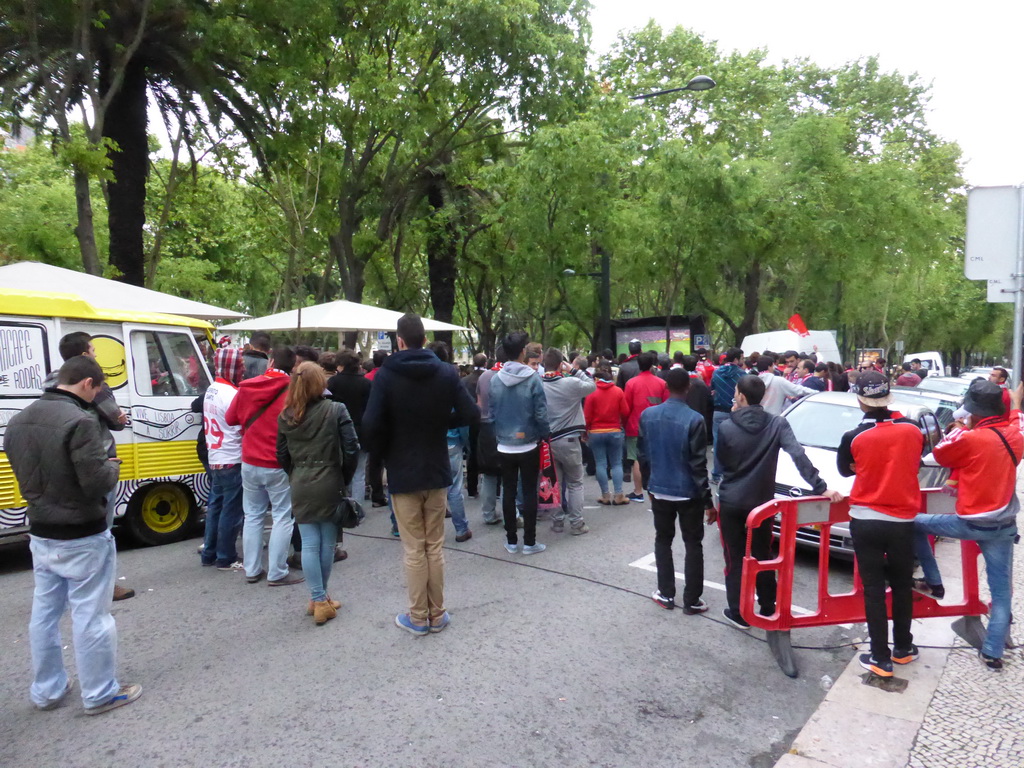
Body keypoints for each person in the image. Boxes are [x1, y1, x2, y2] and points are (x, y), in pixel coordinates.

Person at [4, 356, 142, 714]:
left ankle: (47, 690)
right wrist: (111, 469)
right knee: (91, 615)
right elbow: (94, 481)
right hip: (81, 532)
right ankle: (100, 693)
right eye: (97, 390)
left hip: (41, 530)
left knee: (45, 612)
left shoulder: (18, 421)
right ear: (87, 384)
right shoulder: (80, 421)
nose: (97, 397)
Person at [362, 314, 479, 635]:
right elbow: (471, 413)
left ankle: (417, 617)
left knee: (414, 548)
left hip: (402, 470)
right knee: (434, 547)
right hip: (437, 467)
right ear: (425, 340)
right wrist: (441, 421)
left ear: (399, 341)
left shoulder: (385, 375)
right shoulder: (446, 372)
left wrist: (385, 450)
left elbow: (371, 425)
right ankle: (437, 614)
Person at [913, 380, 1023, 671]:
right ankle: (992, 653)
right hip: (1004, 526)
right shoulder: (1016, 435)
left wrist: (961, 426)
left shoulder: (970, 438)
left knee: (912, 523)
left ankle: (933, 581)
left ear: (973, 411)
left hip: (971, 523)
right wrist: (1014, 403)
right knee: (1001, 594)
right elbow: (1016, 419)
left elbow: (940, 454)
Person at [715, 375, 841, 629]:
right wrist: (821, 487)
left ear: (740, 396)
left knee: (735, 557)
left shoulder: (726, 427)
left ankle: (738, 611)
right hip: (762, 504)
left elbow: (722, 465)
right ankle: (768, 606)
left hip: (731, 501)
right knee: (762, 555)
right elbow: (798, 455)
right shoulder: (778, 424)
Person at [837, 371, 925, 677]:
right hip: (902, 520)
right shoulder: (914, 431)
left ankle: (880, 657)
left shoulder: (853, 436)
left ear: (861, 400)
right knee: (902, 585)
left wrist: (859, 465)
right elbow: (916, 461)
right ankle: (903, 648)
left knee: (873, 589)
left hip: (866, 519)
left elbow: (845, 471)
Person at [42, 332, 135, 601]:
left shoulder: (52, 381)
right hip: (96, 459)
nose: (95, 354)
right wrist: (121, 418)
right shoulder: (95, 384)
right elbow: (116, 420)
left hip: (62, 463)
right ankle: (105, 585)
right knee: (101, 529)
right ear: (84, 355)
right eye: (92, 349)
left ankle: (73, 582)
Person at [276, 362, 359, 625]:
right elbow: (352, 448)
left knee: (310, 543)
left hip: (300, 480)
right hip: (330, 478)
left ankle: (318, 598)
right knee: (327, 543)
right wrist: (344, 476)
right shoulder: (336, 410)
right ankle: (320, 598)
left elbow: (281, 453)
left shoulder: (286, 415)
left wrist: (295, 473)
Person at [225, 346, 304, 587]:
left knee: (253, 515)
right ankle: (277, 572)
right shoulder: (293, 390)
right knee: (282, 516)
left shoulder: (247, 386)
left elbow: (230, 419)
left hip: (249, 460)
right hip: (278, 462)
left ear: (270, 361)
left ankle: (252, 569)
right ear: (293, 367)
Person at [641, 370, 716, 613]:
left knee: (663, 540)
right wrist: (708, 502)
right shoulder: (695, 420)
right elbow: (698, 465)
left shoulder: (648, 415)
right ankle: (692, 599)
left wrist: (648, 485)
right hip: (688, 492)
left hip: (659, 488)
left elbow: (644, 456)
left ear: (665, 386)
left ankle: (665, 593)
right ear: (688, 387)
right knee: (693, 543)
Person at [489, 331, 550, 555]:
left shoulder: (495, 379)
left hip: (504, 444)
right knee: (529, 492)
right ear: (523, 351)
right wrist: (545, 434)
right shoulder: (533, 378)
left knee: (508, 491)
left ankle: (511, 540)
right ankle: (530, 542)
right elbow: (541, 413)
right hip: (529, 443)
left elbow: (492, 412)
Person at [540, 348, 596, 535]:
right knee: (575, 483)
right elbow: (591, 385)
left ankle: (557, 522)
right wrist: (573, 370)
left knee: (554, 483)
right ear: (560, 364)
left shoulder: (538, 384)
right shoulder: (571, 383)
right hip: (570, 440)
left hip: (548, 441)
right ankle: (577, 523)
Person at [200, 348, 246, 571]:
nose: (244, 369)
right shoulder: (232, 394)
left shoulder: (211, 389)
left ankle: (209, 552)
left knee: (215, 507)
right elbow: (240, 427)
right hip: (232, 457)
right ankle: (226, 556)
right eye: (240, 366)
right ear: (231, 368)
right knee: (231, 510)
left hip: (215, 456)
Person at [623, 352, 668, 502]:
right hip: (658, 426)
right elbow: (666, 404)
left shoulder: (631, 383)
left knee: (636, 458)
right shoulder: (661, 383)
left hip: (635, 425)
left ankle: (638, 492)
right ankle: (659, 488)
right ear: (651, 365)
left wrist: (624, 422)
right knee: (657, 457)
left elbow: (626, 407)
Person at [327, 349, 372, 502]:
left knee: (337, 470)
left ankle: (340, 505)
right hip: (361, 431)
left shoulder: (332, 383)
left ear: (340, 365)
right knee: (359, 473)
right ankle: (357, 507)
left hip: (337, 431)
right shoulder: (366, 383)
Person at [585, 364, 630, 505]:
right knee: (617, 463)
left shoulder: (591, 393)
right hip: (615, 431)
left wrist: (585, 431)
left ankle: (605, 495)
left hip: (596, 432)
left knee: (600, 464)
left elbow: (586, 416)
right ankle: (619, 495)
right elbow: (625, 411)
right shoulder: (618, 391)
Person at [475, 347, 507, 525]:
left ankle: (488, 514)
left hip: (486, 427)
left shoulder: (484, 377)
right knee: (509, 472)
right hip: (506, 427)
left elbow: (479, 404)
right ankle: (512, 513)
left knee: (489, 474)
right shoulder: (509, 376)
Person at [710, 347, 746, 484]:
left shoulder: (716, 373)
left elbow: (712, 389)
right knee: (737, 443)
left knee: (718, 442)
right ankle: (734, 473)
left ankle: (716, 474)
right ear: (736, 359)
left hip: (718, 412)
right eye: (742, 358)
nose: (743, 361)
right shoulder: (743, 375)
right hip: (736, 412)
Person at [681, 355, 714, 440]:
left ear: (683, 366)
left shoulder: (681, 383)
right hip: (699, 421)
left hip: (684, 420)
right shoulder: (701, 383)